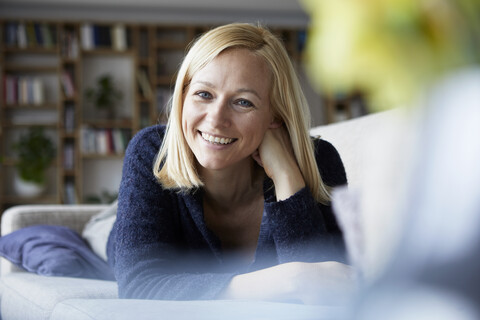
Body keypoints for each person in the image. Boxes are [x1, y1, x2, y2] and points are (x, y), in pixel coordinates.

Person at [107, 23, 354, 305]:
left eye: (243, 102)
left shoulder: (320, 160)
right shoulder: (152, 151)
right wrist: (290, 279)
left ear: (275, 115)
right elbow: (139, 286)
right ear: (183, 97)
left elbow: (330, 288)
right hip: (118, 237)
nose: (216, 119)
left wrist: (287, 175)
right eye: (204, 94)